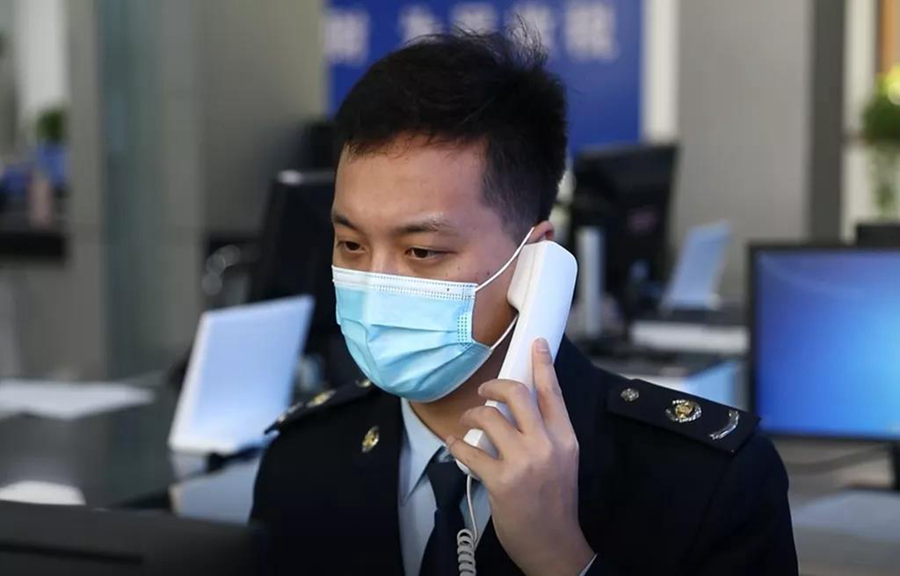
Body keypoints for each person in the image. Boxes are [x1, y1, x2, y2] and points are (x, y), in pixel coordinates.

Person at [250, 28, 798, 576]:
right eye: (351, 244)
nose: (376, 283)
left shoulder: (708, 481)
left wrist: (561, 558)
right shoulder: (300, 463)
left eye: (422, 251)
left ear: (535, 260)